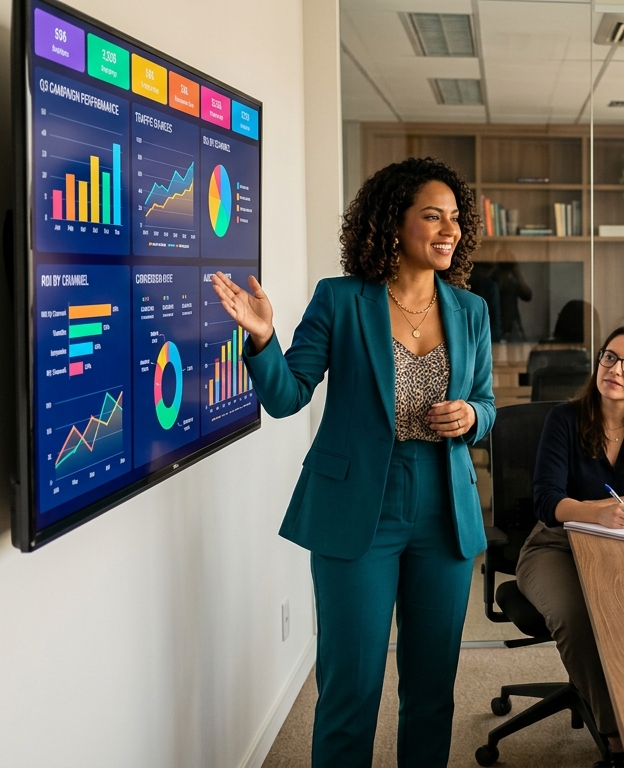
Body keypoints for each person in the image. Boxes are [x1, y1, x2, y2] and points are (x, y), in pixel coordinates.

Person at [214, 157, 494, 768]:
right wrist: (262, 338)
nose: (449, 229)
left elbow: (488, 403)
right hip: (357, 504)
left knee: (433, 690)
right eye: (433, 216)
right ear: (393, 222)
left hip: (445, 507)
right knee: (350, 689)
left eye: (455, 218)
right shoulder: (341, 299)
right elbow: (288, 396)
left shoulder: (471, 310)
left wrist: (472, 415)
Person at [516, 323, 624, 768]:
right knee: (575, 617)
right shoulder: (565, 419)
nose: (615, 369)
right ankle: (617, 742)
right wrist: (595, 512)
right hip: (555, 544)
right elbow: (547, 502)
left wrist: (616, 506)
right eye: (609, 357)